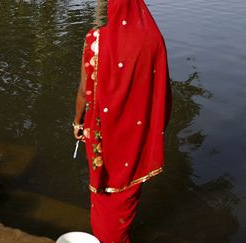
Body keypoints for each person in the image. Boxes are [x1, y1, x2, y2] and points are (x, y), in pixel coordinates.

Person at [73, 0, 172, 242]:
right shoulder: (154, 41)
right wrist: (154, 130)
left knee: (103, 191)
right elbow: (163, 92)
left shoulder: (95, 40)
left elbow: (84, 89)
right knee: (127, 193)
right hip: (135, 139)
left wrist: (78, 123)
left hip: (101, 135)